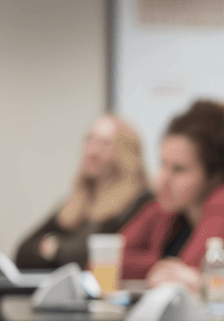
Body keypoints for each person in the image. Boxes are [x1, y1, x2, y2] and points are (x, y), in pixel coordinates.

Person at [125, 101, 224, 281]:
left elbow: (184, 278)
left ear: (215, 174)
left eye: (179, 169)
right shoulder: (172, 205)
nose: (161, 179)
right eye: (162, 164)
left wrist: (161, 268)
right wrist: (160, 266)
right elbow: (106, 258)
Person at [14, 115, 153, 270]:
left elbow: (90, 257)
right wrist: (63, 252)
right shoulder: (75, 203)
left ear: (126, 152)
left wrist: (55, 247)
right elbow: (23, 253)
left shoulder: (139, 203)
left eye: (105, 144)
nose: (92, 151)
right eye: (89, 140)